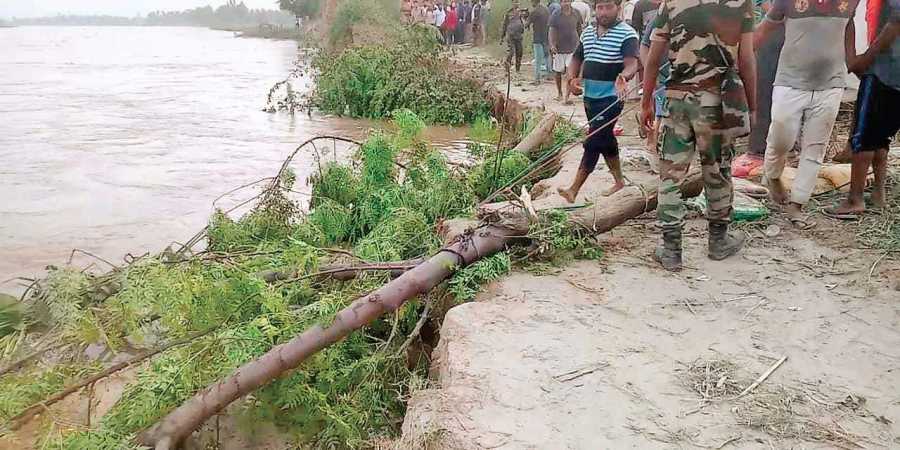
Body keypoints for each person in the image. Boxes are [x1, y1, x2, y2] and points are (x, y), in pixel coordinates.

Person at [640, 0, 757, 271]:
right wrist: (752, 107)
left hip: (677, 101)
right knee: (718, 171)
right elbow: (747, 59)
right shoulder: (741, 4)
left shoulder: (672, 3)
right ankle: (718, 240)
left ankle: (671, 250)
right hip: (717, 101)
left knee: (670, 175)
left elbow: (654, 58)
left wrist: (646, 102)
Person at [754, 0, 856, 229]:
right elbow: (763, 30)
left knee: (815, 148)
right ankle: (773, 175)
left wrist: (851, 58)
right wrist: (736, 60)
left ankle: (797, 204)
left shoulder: (850, 1)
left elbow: (849, 24)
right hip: (790, 81)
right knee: (781, 140)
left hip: (831, 84)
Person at [557, 0, 639, 202]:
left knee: (593, 140)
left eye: (608, 7)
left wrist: (624, 77)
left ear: (618, 8)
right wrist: (572, 79)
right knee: (605, 138)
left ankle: (573, 189)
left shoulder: (627, 34)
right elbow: (577, 58)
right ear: (595, 9)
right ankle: (619, 182)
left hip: (611, 97)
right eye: (600, 7)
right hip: (590, 97)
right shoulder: (587, 33)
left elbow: (632, 64)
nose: (604, 12)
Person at [826, 0, 899, 218]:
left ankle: (855, 199)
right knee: (881, 135)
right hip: (891, 72)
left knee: (864, 137)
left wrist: (865, 60)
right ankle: (878, 195)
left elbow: (895, 22)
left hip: (885, 70)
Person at [733, 0, 783, 178]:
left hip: (797, 35)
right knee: (763, 91)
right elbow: (765, 6)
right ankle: (757, 150)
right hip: (769, 32)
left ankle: (789, 147)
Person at [639, 19, 668, 173]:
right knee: (660, 114)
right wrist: (650, 69)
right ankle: (653, 145)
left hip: (687, 81)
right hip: (662, 77)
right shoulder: (660, 18)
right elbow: (644, 46)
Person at [549, 0, 584, 103]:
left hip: (573, 47)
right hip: (559, 48)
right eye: (564, 1)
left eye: (568, 1)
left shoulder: (576, 13)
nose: (566, 3)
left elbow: (579, 29)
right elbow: (551, 31)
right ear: (561, 3)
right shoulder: (556, 14)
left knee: (570, 72)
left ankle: (567, 97)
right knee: (558, 71)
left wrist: (582, 43)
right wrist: (552, 45)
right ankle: (559, 93)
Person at [528, 0, 552, 84]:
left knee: (538, 59)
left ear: (533, 2)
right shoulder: (546, 10)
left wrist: (524, 18)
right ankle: (549, 75)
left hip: (537, 37)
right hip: (546, 36)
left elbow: (526, 24)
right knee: (547, 56)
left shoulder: (534, 12)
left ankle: (537, 79)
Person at [501, 0, 526, 72]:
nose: (516, 3)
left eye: (517, 2)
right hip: (510, 35)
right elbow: (504, 25)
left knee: (519, 52)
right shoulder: (508, 13)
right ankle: (507, 65)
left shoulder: (522, 12)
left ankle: (517, 69)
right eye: (515, 2)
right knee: (511, 51)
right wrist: (502, 37)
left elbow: (525, 22)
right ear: (512, 3)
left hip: (519, 35)